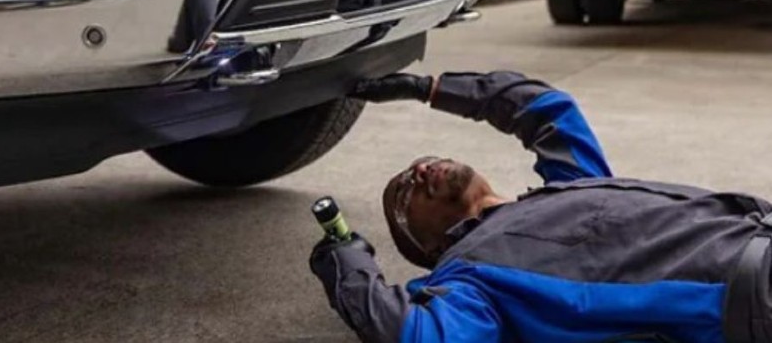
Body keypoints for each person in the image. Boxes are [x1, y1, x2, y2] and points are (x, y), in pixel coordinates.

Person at [309, 71, 772, 343]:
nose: (421, 170)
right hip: (753, 294)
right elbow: (416, 334)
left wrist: (428, 88)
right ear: (429, 249)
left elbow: (546, 108)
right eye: (405, 192)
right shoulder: (469, 279)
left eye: (421, 162)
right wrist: (349, 263)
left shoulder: (573, 184)